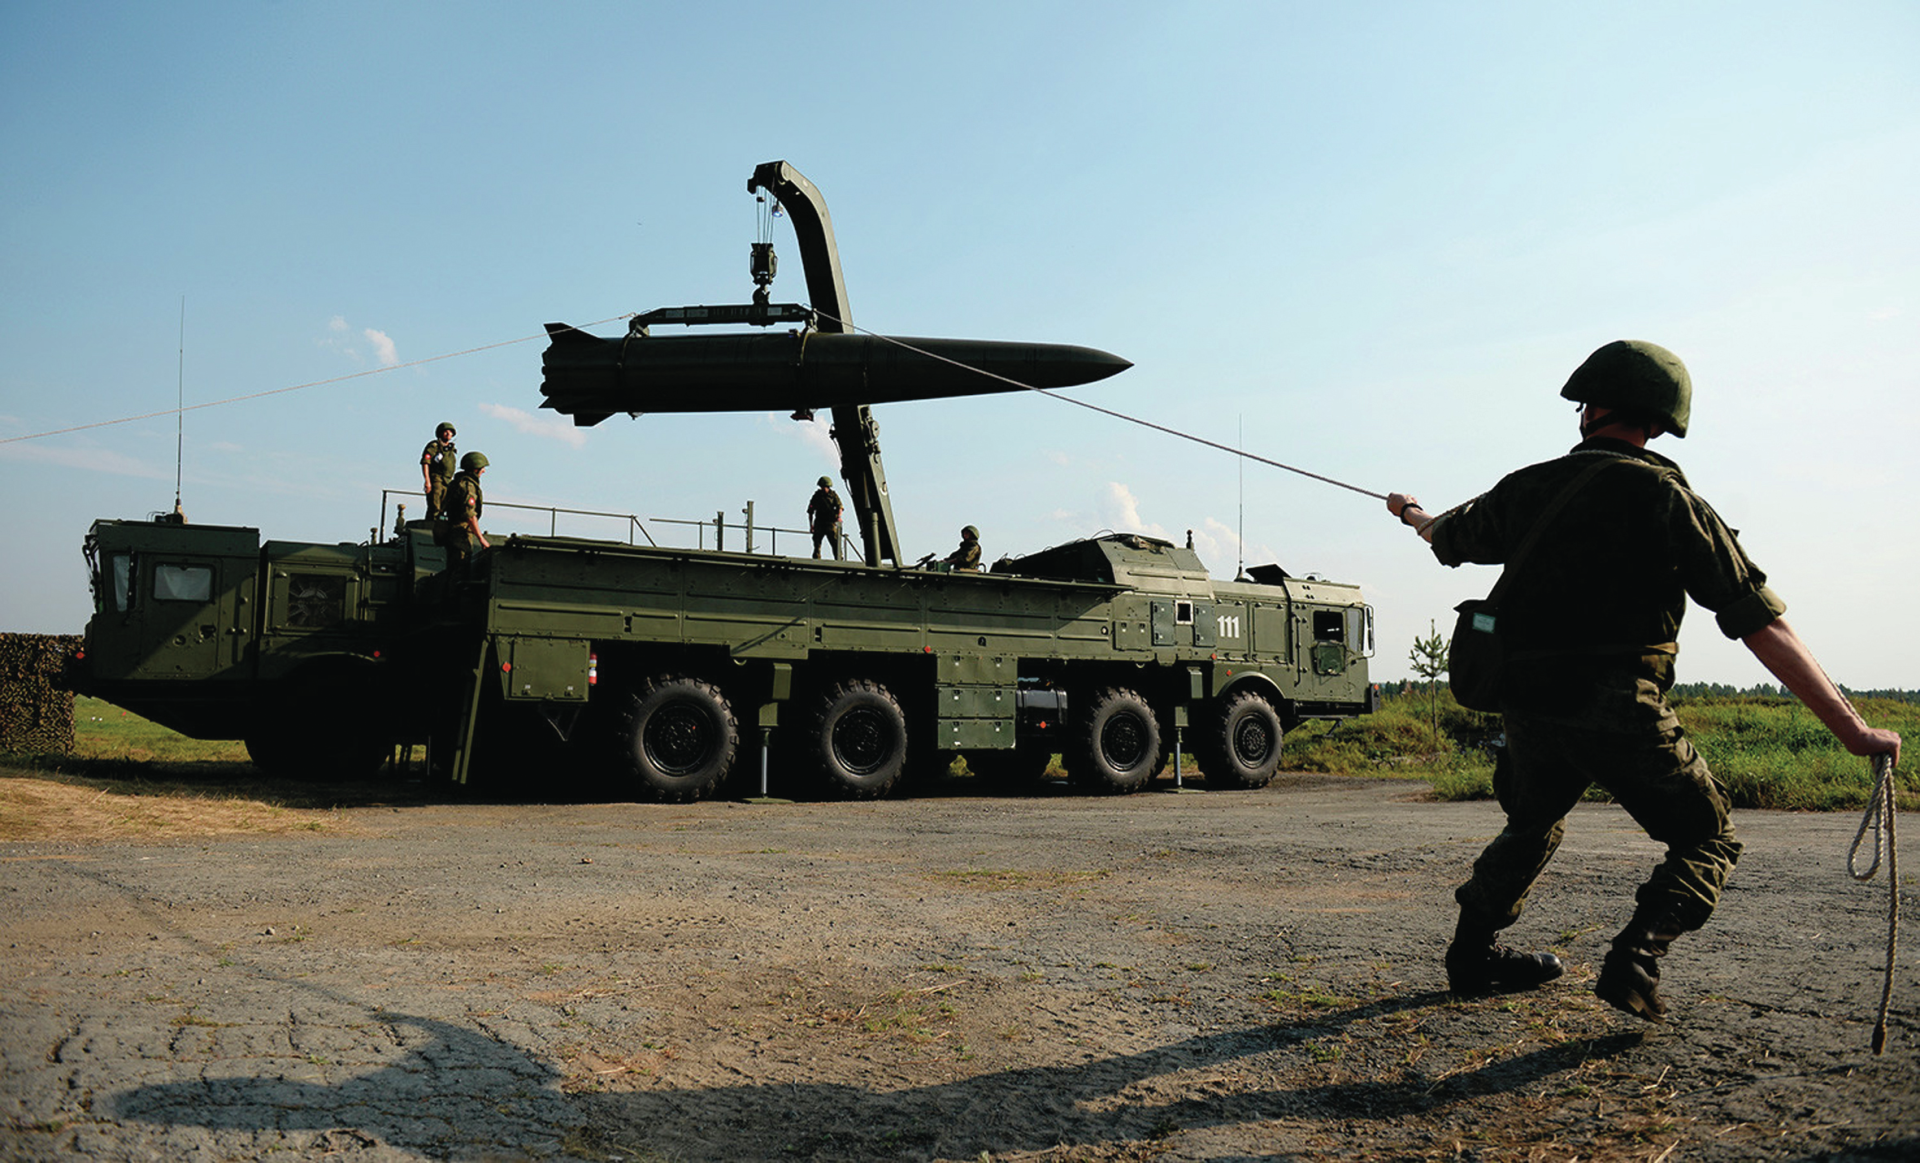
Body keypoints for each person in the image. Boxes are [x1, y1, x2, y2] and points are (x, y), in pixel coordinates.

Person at [1385, 340, 1899, 1021]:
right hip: (1620, 707)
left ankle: (1470, 954)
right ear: (1659, 420)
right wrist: (1854, 731)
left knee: (1532, 821)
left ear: (1591, 408)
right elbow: (1759, 624)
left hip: (1531, 705)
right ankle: (1635, 958)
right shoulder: (1672, 501)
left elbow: (1446, 536)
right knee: (1707, 837)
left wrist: (1412, 512)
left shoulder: (1529, 487)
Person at [442, 451, 490, 570]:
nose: (483, 471)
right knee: (459, 568)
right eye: (482, 468)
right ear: (475, 469)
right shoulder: (468, 486)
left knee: (454, 568)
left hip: (453, 531)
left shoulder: (457, 482)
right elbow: (469, 515)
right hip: (460, 533)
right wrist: (481, 539)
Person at [420, 422, 458, 521]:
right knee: (434, 506)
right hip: (436, 479)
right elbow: (425, 462)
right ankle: (430, 526)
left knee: (444, 507)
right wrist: (427, 481)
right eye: (445, 431)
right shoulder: (434, 446)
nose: (448, 434)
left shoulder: (450, 450)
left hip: (448, 481)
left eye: (450, 432)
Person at [807, 475, 843, 560]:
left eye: (825, 487)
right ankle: (816, 560)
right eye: (822, 487)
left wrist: (839, 517)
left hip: (830, 523)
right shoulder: (817, 496)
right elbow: (810, 511)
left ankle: (839, 559)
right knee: (817, 543)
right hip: (819, 522)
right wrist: (811, 526)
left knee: (835, 543)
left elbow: (840, 507)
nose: (823, 489)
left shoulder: (833, 495)